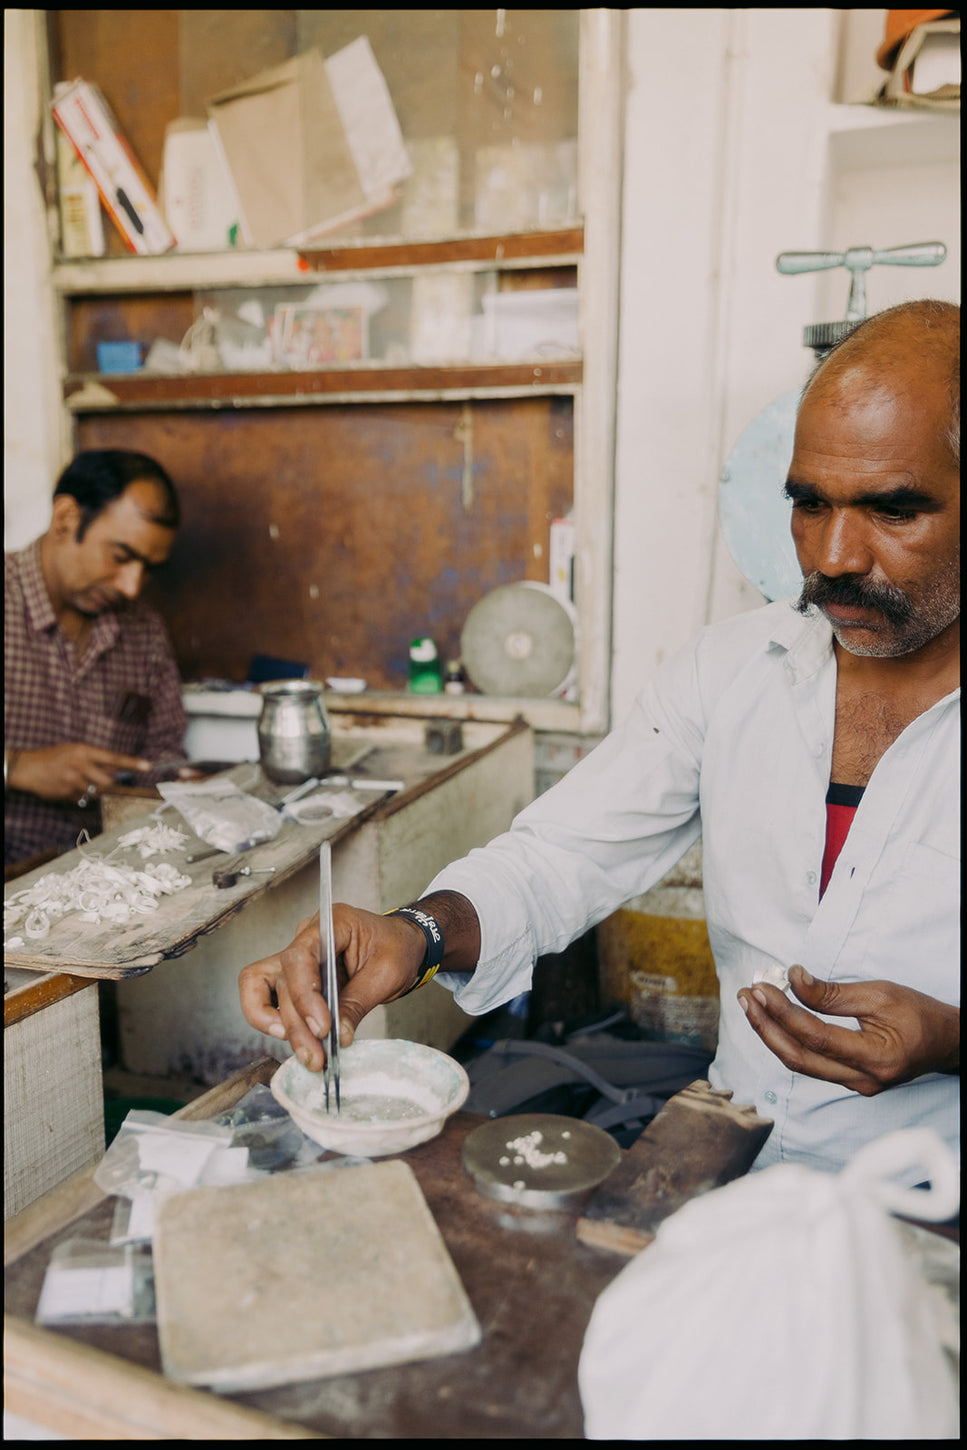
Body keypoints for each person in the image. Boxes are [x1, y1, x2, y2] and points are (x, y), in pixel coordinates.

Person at [239, 299, 960, 1175]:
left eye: (893, 510)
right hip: (739, 1155)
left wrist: (953, 1042)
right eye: (808, 503)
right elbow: (560, 858)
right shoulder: (731, 670)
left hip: (934, 1197)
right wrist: (417, 934)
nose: (834, 554)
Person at [5, 449, 190, 868]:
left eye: (148, 568)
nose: (131, 586)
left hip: (109, 876)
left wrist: (186, 785)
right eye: (121, 557)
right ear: (66, 519)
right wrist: (16, 767)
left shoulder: (144, 632)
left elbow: (162, 755)